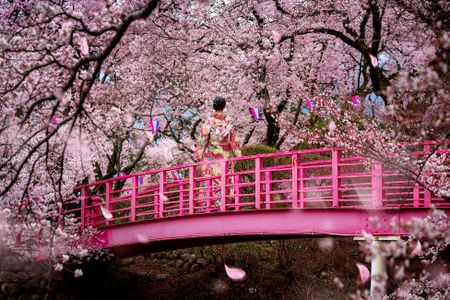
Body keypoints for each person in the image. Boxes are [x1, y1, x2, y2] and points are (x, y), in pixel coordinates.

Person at [194, 96, 241, 208]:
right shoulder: (228, 121)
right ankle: (226, 201)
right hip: (225, 154)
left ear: (213, 106)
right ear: (224, 106)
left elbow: (203, 139)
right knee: (224, 177)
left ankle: (210, 202)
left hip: (211, 154)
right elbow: (234, 140)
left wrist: (199, 153)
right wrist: (238, 154)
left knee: (210, 177)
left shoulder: (209, 121)